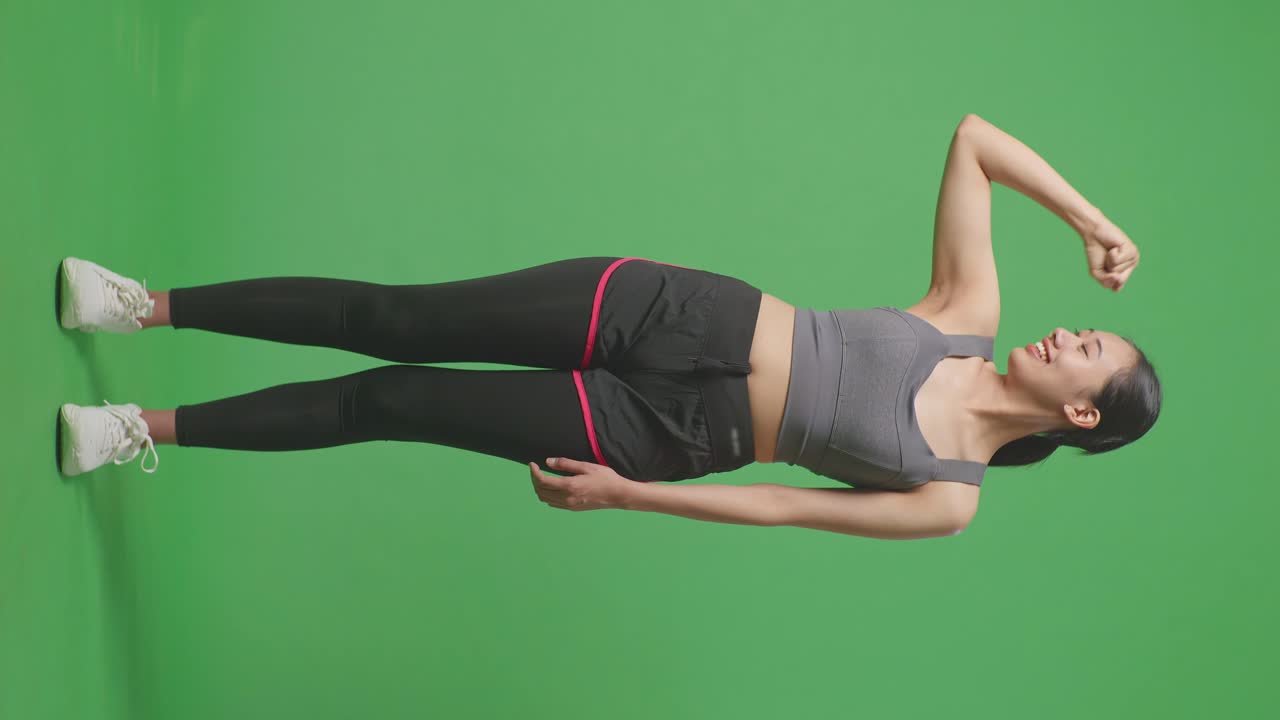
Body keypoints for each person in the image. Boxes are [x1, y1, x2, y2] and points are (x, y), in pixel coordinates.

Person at [55, 113, 1161, 540]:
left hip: (665, 433)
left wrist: (629, 493)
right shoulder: (964, 316)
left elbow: (783, 506)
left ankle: (133, 425)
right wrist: (1089, 221)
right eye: (1084, 330)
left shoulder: (946, 497)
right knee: (392, 315)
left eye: (1087, 354)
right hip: (678, 309)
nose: (1068, 335)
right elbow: (972, 139)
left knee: (391, 399)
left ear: (1076, 411)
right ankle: (142, 305)